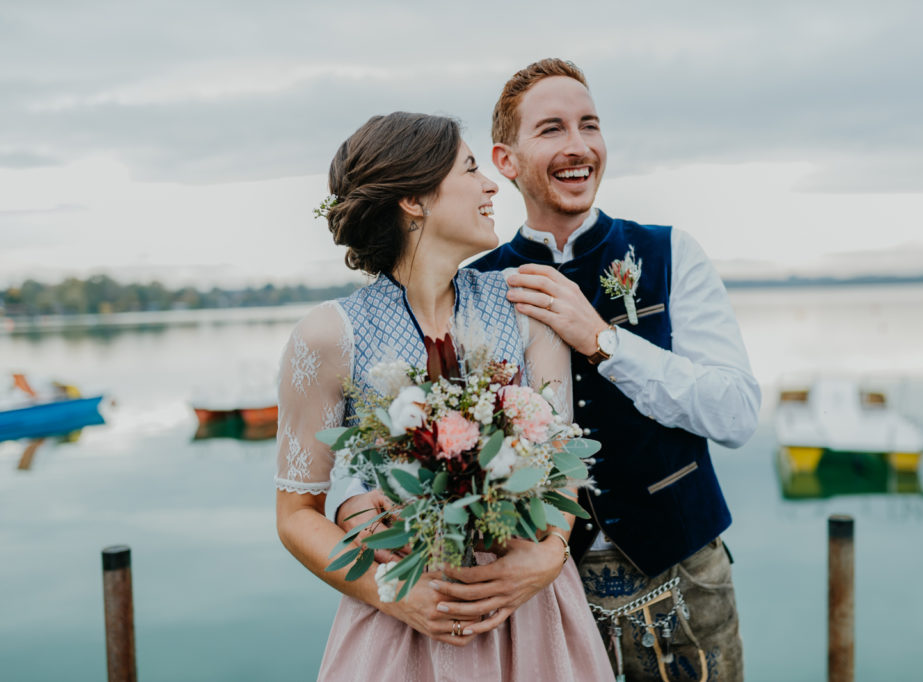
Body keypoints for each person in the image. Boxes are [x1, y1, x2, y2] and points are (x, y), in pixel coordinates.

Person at [275, 112, 614, 681]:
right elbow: (295, 516)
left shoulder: (527, 308)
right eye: (472, 168)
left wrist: (550, 552)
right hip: (404, 619)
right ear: (414, 200)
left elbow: (560, 462)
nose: (491, 187)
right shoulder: (328, 336)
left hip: (530, 609)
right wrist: (389, 591)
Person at [462, 59, 761, 681]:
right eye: (552, 129)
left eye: (590, 125)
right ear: (506, 160)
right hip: (540, 595)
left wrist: (604, 342)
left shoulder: (671, 252)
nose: (579, 146)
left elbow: (736, 414)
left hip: (684, 579)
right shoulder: (473, 286)